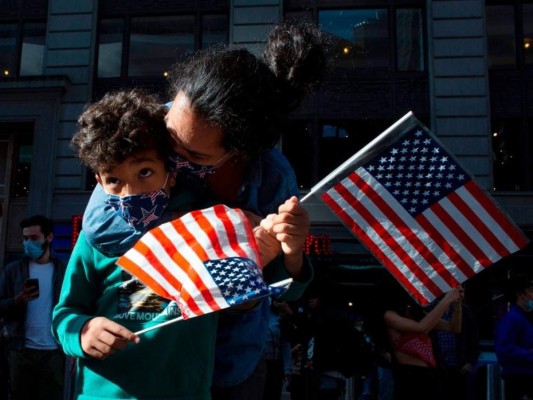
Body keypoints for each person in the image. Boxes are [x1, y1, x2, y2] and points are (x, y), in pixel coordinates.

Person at [81, 19, 329, 400]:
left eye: (194, 154)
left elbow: (286, 291)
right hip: (155, 359)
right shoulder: (144, 131)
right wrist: (221, 229)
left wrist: (291, 253)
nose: (174, 156)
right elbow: (103, 228)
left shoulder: (274, 177)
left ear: (240, 150)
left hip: (230, 361)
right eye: (171, 137)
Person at [52, 89, 219, 399]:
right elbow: (65, 311)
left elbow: (265, 287)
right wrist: (82, 332)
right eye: (114, 179)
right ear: (99, 182)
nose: (132, 193)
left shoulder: (205, 228)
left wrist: (288, 254)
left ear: (170, 173)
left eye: (145, 172)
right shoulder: (95, 240)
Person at [0, 214, 66, 400]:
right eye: (25, 238)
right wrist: (16, 301)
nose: (28, 243)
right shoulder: (13, 270)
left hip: (53, 352)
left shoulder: (63, 270)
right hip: (20, 351)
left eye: (34, 238)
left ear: (49, 238)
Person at [380, 278, 463, 400]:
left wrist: (457, 305)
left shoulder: (415, 313)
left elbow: (453, 327)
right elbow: (422, 327)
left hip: (430, 374)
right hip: (409, 377)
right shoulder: (389, 315)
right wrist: (446, 300)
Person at [431, 293, 480, 400]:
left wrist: (470, 362)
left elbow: (474, 337)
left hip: (460, 366)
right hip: (438, 367)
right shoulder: (430, 310)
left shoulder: (464, 310)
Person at [494, 273, 533, 400]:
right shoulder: (512, 318)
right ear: (520, 294)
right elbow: (504, 350)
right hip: (520, 378)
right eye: (531, 291)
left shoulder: (525, 318)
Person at [263, 300, 294, 400]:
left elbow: (285, 344)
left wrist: (287, 369)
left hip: (274, 365)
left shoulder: (278, 317)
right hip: (256, 365)